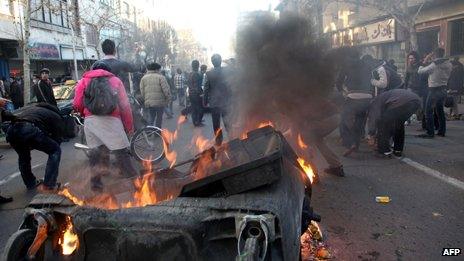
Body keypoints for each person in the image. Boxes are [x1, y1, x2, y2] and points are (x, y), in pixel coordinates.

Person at [73, 62, 137, 191]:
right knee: (121, 154)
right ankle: (136, 183)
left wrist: (83, 114)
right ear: (109, 70)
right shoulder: (115, 80)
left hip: (90, 121)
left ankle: (96, 186)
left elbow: (77, 103)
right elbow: (125, 106)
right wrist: (129, 126)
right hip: (112, 120)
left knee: (95, 155)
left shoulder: (83, 81)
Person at [2, 102, 64, 191]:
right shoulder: (55, 116)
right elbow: (57, 139)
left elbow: (6, 121)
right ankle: (49, 185)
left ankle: (30, 183)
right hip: (27, 128)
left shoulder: (30, 109)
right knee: (55, 150)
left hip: (11, 131)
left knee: (23, 156)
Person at [336, 50, 373, 156]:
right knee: (359, 122)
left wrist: (342, 91)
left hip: (353, 95)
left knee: (343, 120)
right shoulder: (367, 65)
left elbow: (339, 82)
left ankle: (349, 143)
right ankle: (355, 145)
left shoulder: (346, 65)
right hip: (367, 97)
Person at [368, 89, 421, 157]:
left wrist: (371, 134)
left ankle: (384, 151)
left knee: (383, 123)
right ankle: (398, 150)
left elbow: (374, 118)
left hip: (402, 102)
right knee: (398, 124)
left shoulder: (374, 102)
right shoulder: (384, 97)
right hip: (416, 101)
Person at [417, 48, 452, 138]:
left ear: (435, 55)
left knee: (428, 111)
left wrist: (425, 60)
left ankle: (430, 132)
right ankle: (441, 131)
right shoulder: (449, 64)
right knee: (440, 111)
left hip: (434, 90)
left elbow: (420, 71)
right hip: (444, 89)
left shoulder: (434, 65)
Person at [204, 54, 231, 145]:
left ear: (212, 62)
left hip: (214, 103)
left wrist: (205, 101)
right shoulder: (227, 71)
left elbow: (206, 89)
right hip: (226, 101)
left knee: (216, 123)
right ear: (220, 61)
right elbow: (231, 85)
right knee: (228, 121)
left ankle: (219, 140)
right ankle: (232, 138)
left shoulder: (208, 74)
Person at [139, 63, 171, 128]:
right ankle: (157, 132)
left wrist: (146, 99)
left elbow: (142, 91)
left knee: (151, 117)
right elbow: (166, 90)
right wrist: (168, 99)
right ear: (156, 69)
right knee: (159, 118)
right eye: (159, 69)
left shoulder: (143, 78)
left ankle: (151, 130)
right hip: (160, 103)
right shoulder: (161, 77)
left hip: (149, 103)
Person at [188, 60, 204, 127]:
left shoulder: (190, 73)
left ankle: (195, 122)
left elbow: (189, 83)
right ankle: (198, 121)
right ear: (198, 66)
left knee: (193, 108)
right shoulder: (197, 74)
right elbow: (197, 86)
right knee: (200, 108)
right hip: (196, 94)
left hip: (191, 93)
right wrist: (200, 93)